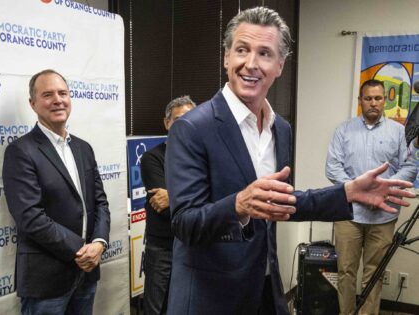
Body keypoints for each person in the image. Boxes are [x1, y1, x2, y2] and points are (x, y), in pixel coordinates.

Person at [164, 7, 415, 315]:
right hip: (208, 299)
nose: (251, 63)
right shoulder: (191, 128)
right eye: (242, 50)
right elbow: (184, 223)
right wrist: (239, 204)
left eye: (265, 53)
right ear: (227, 57)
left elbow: (283, 203)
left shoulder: (280, 129)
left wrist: (347, 192)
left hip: (264, 289)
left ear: (280, 65)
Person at [2, 69, 111, 315]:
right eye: (48, 94)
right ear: (33, 103)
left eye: (63, 93)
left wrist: (99, 243)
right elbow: (30, 217)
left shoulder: (84, 148)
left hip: (86, 274)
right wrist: (82, 249)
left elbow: (100, 202)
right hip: (46, 281)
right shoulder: (21, 152)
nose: (58, 100)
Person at [326, 79, 416, 315]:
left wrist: (384, 188)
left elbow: (410, 165)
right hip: (348, 214)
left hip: (383, 215)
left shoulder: (399, 132)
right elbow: (332, 168)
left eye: (378, 98)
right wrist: (358, 191)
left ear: (384, 100)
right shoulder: (343, 130)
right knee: (345, 271)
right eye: (368, 98)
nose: (373, 103)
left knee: (374, 273)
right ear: (360, 101)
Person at [141, 96, 195, 315]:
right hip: (163, 248)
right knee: (157, 308)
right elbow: (162, 207)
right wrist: (198, 199)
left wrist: (173, 196)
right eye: (179, 119)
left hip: (194, 246)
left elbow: (217, 197)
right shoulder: (152, 158)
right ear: (167, 123)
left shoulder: (202, 157)